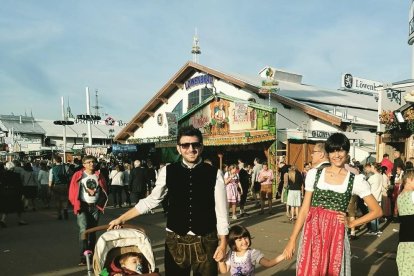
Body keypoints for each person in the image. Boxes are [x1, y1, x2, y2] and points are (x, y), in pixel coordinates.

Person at [108, 126, 229, 276]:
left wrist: (223, 243)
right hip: (175, 240)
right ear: (179, 148)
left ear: (201, 147)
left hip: (206, 240)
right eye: (185, 145)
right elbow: (151, 200)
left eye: (195, 145)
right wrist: (121, 218)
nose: (191, 149)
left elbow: (222, 212)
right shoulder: (167, 171)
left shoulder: (215, 173)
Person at [283, 133, 382, 276]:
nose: (337, 155)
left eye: (341, 150)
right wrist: (292, 240)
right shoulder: (314, 174)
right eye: (333, 151)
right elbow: (304, 210)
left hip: (336, 234)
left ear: (347, 153)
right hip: (312, 233)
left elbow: (377, 211)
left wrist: (352, 223)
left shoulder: (355, 180)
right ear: (328, 153)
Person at [68, 155, 108, 266]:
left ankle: (91, 254)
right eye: (89, 162)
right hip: (82, 206)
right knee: (83, 230)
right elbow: (72, 190)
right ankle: (83, 256)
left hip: (95, 206)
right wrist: (75, 203)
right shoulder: (78, 175)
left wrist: (101, 203)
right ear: (84, 164)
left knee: (93, 231)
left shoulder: (99, 175)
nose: (92, 164)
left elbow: (104, 188)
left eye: (93, 162)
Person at [218, 225, 284, 275]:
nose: (244, 241)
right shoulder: (231, 253)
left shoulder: (253, 253)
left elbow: (268, 263)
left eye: (245, 237)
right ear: (233, 242)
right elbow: (224, 270)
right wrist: (220, 260)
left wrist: (283, 255)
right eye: (239, 240)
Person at [396, 169, 414, 276]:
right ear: (409, 179)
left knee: (406, 268)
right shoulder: (412, 195)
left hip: (404, 238)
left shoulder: (400, 196)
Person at [0, 161, 27, 227]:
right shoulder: (16, 175)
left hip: (5, 192)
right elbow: (20, 185)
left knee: (6, 206)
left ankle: (3, 219)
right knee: (18, 206)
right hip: (15, 192)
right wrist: (22, 193)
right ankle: (20, 220)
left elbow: (1, 184)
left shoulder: (3, 175)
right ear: (13, 168)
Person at [49, 155, 70, 220]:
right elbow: (70, 175)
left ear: (55, 161)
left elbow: (50, 180)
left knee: (58, 200)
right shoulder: (65, 167)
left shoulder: (52, 169)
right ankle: (65, 209)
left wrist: (50, 188)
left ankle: (59, 214)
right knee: (65, 199)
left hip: (56, 186)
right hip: (65, 185)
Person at [366, 163, 383, 235]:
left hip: (372, 197)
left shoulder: (373, 177)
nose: (371, 168)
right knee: (376, 213)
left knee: (372, 214)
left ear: (375, 168)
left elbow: (366, 184)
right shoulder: (381, 176)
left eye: (372, 167)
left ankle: (373, 230)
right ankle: (377, 229)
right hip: (379, 196)